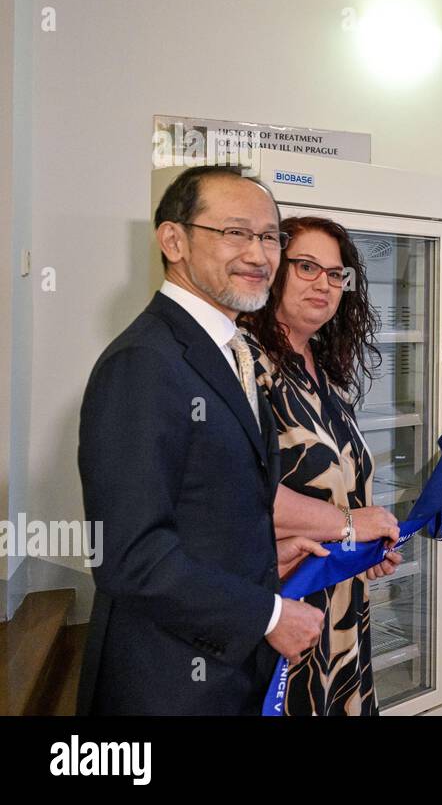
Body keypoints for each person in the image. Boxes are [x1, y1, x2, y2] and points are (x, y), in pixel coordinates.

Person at [77, 166, 325, 715]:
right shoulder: (143, 363)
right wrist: (269, 615)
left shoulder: (225, 348)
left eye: (269, 237)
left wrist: (264, 556)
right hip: (168, 685)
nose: (260, 255)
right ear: (174, 240)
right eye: (235, 233)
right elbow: (129, 555)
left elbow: (204, 503)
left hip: (221, 673)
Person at [240, 216, 402, 716]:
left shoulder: (323, 371)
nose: (323, 284)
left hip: (342, 613)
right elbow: (241, 493)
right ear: (273, 269)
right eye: (307, 266)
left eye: (336, 275)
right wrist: (353, 524)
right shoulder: (244, 362)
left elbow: (342, 485)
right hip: (278, 612)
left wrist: (363, 547)